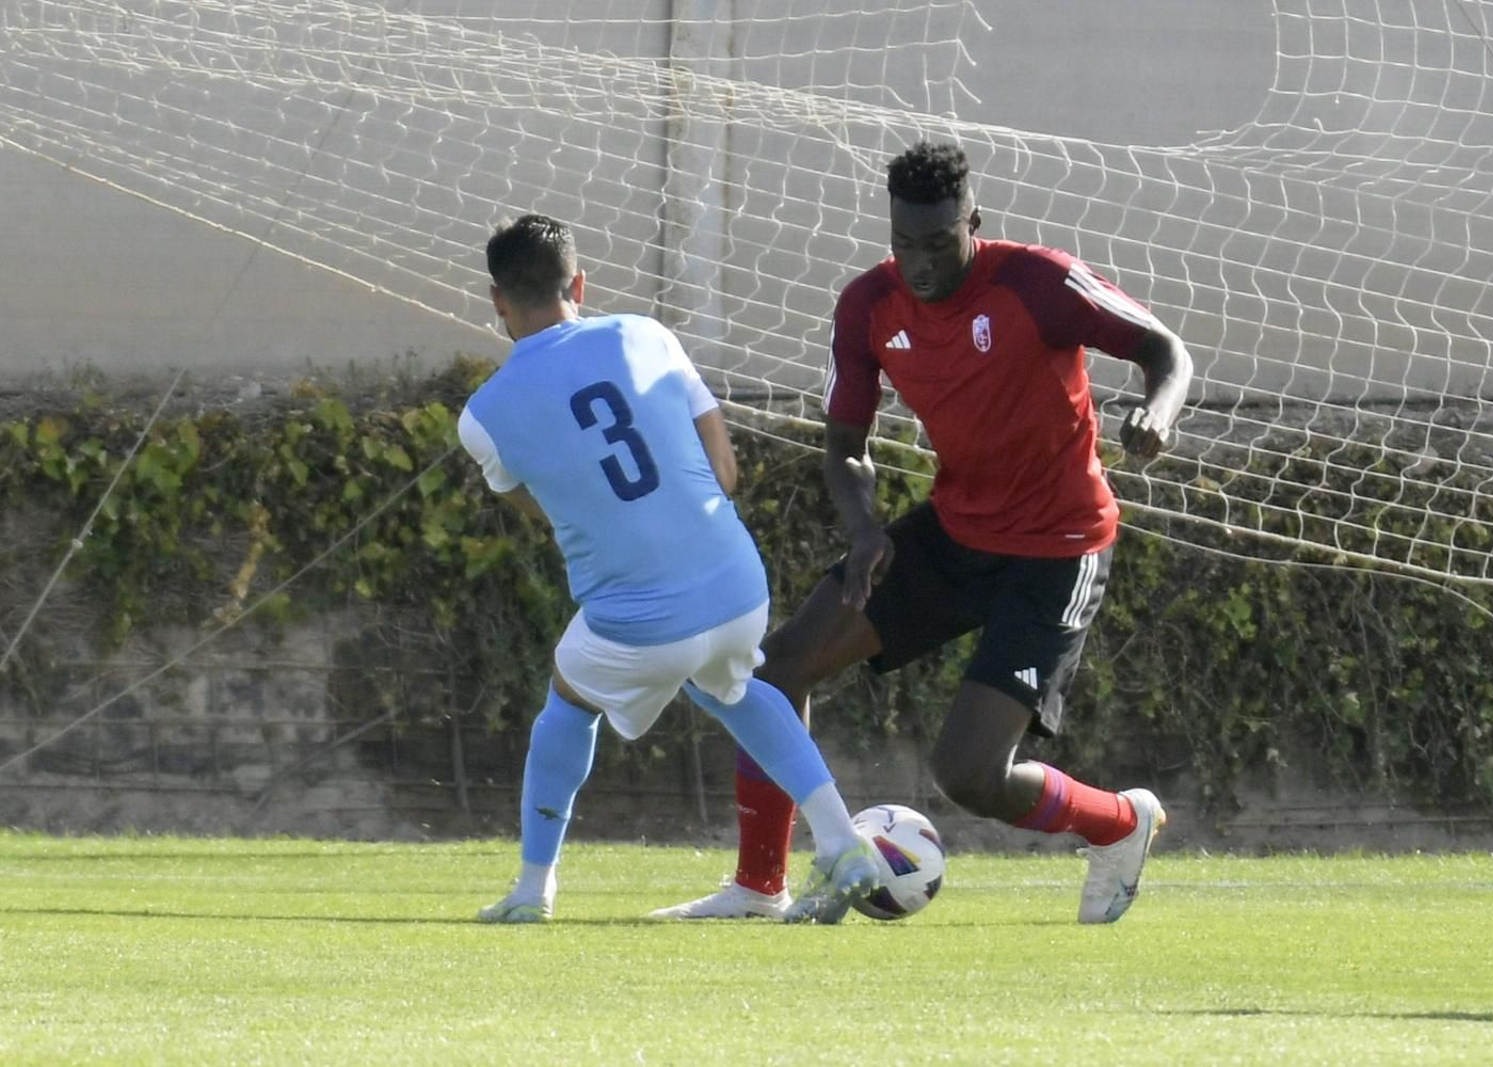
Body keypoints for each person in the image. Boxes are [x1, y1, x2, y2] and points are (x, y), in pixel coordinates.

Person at [653, 141, 1194, 925]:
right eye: (905, 243)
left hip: (1058, 545)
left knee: (969, 774)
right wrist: (865, 526)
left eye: (939, 242)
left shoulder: (1038, 281)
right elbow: (844, 445)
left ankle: (1120, 822)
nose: (921, 263)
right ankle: (759, 885)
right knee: (776, 669)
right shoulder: (869, 305)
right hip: (955, 528)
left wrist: (1159, 411)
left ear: (973, 222)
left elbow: (1164, 350)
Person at [458, 213, 878, 925]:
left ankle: (533, 888)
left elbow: (551, 507)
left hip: (640, 615)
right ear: (580, 283)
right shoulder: (645, 334)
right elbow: (724, 468)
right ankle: (843, 842)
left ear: (497, 298)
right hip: (737, 582)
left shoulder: (482, 416)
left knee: (568, 699)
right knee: (736, 687)